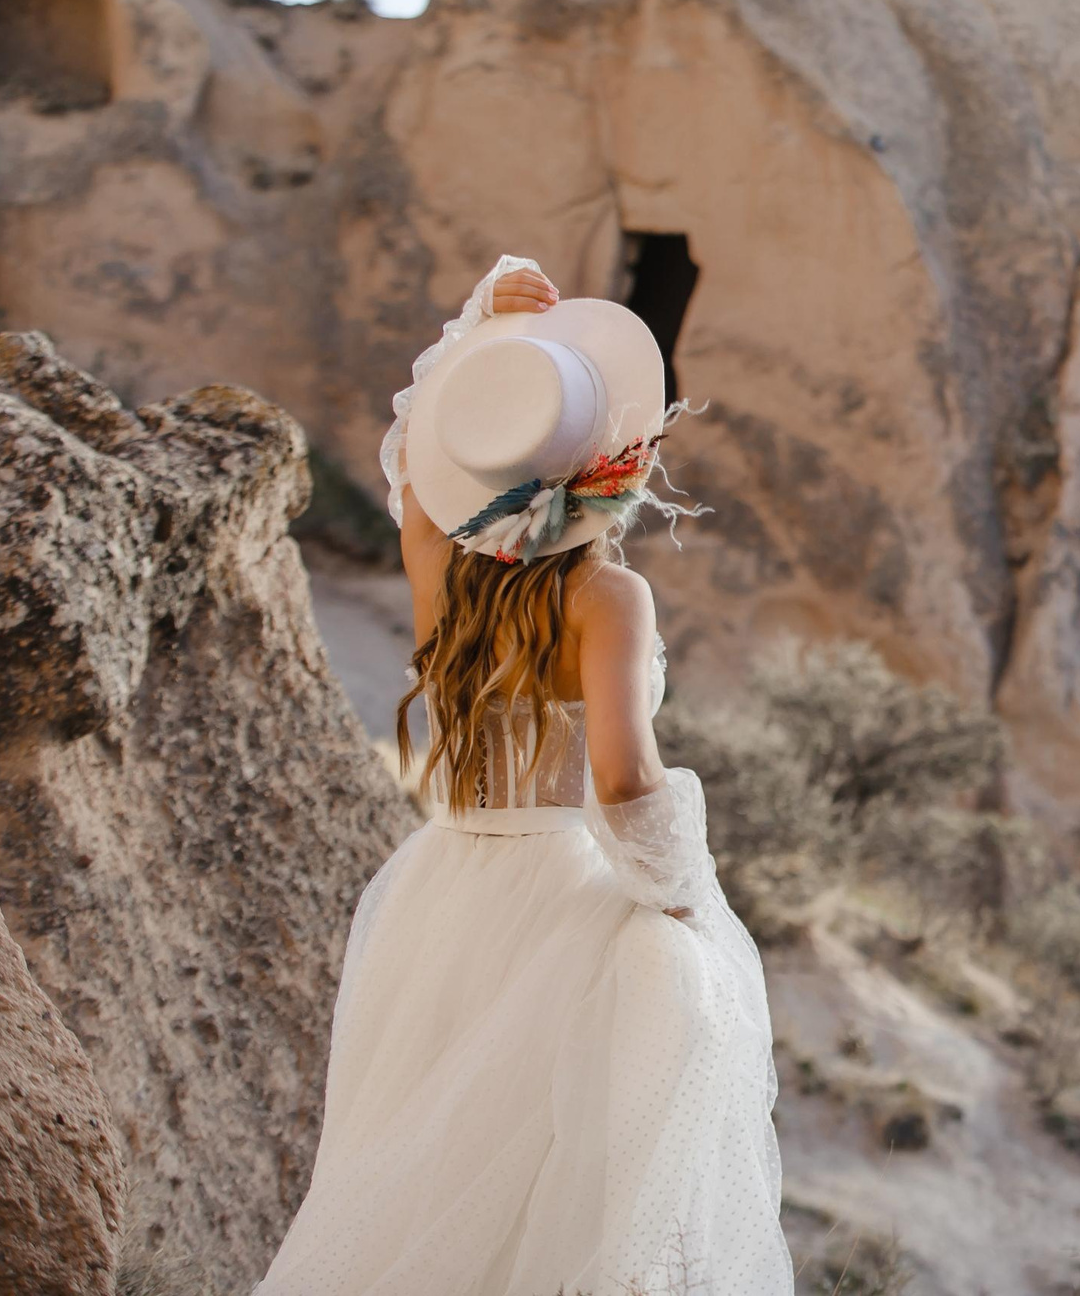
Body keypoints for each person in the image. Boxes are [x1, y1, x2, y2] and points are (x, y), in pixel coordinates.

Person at [255, 257, 789, 1296]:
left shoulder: (434, 562)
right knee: (551, 1187)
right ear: (614, 464)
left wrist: (477, 340)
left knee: (426, 1172)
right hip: (560, 905)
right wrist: (682, 899)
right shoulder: (607, 597)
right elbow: (624, 778)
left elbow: (423, 457)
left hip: (440, 893)